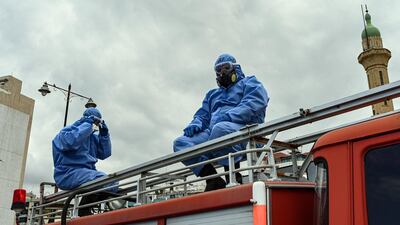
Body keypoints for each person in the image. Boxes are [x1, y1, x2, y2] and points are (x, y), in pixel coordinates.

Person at [173, 54, 269, 192]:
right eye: (218, 70)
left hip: (244, 129)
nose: (222, 72)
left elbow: (255, 103)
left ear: (235, 68)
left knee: (220, 129)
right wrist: (195, 124)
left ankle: (233, 176)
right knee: (181, 143)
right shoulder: (213, 94)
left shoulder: (250, 83)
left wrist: (228, 117)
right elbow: (203, 115)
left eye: (226, 68)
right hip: (213, 131)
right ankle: (213, 179)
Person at [52, 107, 113, 216]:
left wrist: (104, 135)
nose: (95, 124)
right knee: (101, 179)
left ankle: (89, 208)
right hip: (67, 173)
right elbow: (71, 142)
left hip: (87, 174)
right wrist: (87, 124)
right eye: (95, 120)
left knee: (113, 182)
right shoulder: (66, 133)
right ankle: (83, 209)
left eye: (97, 121)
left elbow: (105, 153)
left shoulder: (92, 138)